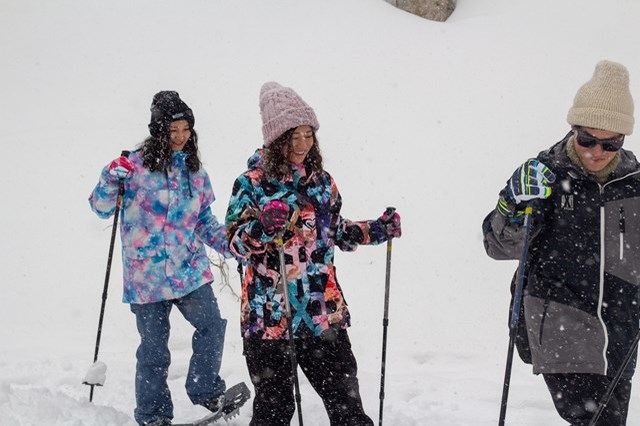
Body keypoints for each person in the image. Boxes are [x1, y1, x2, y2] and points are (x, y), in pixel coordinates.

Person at [225, 82, 402, 426]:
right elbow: (233, 241)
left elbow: (335, 231)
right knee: (274, 411)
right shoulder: (251, 184)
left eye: (308, 135)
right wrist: (262, 226)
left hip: (322, 314)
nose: (303, 144)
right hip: (270, 319)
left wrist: (377, 229)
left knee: (347, 406)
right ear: (277, 139)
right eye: (294, 136)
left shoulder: (321, 182)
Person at [483, 60, 638, 425]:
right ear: (573, 129)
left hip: (621, 331)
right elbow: (498, 245)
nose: (596, 151)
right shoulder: (546, 177)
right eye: (587, 139)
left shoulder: (634, 185)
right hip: (562, 324)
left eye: (610, 142)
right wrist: (512, 204)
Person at [89, 91, 235, 426]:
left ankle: (205, 390)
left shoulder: (195, 174)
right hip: (148, 277)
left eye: (186, 129)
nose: (181, 136)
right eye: (173, 130)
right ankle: (153, 415)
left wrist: (232, 244)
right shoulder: (133, 168)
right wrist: (110, 178)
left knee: (212, 326)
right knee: (154, 353)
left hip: (189, 271)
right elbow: (100, 208)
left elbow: (203, 221)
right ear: (158, 131)